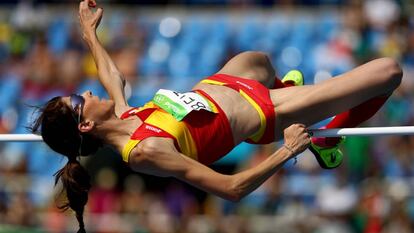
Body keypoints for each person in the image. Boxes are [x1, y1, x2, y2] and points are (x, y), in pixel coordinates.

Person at [30, 0, 403, 232]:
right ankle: (327, 135)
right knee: (387, 72)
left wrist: (89, 33)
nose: (89, 91)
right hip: (262, 111)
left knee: (257, 59)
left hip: (228, 83)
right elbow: (231, 189)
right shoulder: (143, 150)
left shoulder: (127, 114)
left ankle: (287, 88)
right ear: (86, 124)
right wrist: (287, 150)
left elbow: (113, 76)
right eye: (81, 97)